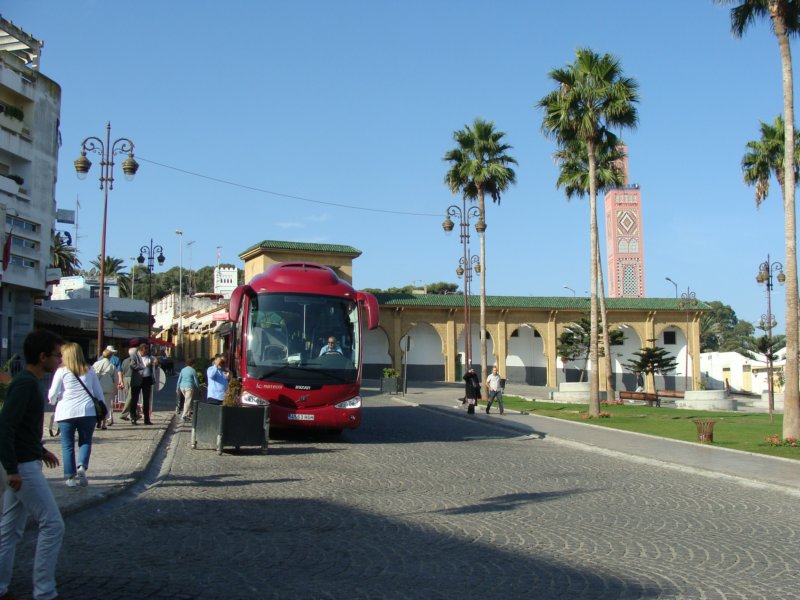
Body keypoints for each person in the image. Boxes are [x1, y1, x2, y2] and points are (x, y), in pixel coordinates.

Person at [0, 330, 65, 600]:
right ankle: (45, 592)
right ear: (42, 357)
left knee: (10, 530)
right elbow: (5, 427)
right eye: (56, 355)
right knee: (53, 524)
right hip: (22, 468)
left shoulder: (29, 382)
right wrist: (13, 469)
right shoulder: (26, 384)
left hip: (26, 460)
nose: (60, 360)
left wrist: (40, 449)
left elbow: (21, 428)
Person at [48, 342, 104, 489]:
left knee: (67, 445)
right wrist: (103, 410)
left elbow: (52, 394)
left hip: (66, 412)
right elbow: (98, 393)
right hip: (87, 411)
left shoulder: (61, 372)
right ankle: (82, 467)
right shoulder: (90, 370)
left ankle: (70, 477)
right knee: (85, 441)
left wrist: (53, 400)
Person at [92, 349, 117, 428]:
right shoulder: (112, 366)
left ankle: (97, 420)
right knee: (106, 405)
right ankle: (104, 423)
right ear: (110, 356)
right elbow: (115, 379)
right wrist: (115, 388)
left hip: (97, 387)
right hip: (108, 387)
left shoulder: (96, 364)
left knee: (97, 404)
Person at [136, 343, 158, 425]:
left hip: (147, 379)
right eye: (145, 350)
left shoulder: (150, 357)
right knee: (135, 398)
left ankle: (146, 419)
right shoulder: (136, 357)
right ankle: (135, 416)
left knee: (146, 400)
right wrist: (145, 365)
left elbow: (155, 365)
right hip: (138, 379)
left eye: (147, 350)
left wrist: (156, 363)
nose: (146, 352)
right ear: (141, 350)